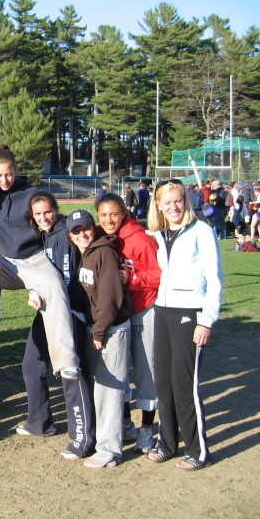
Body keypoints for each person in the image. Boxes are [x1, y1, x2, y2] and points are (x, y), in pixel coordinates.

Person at [0, 147, 80, 381]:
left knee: (55, 285)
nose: (4, 180)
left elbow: (53, 215)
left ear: (16, 170)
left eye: (9, 174)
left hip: (35, 260)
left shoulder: (32, 192)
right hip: (3, 263)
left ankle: (67, 361)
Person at [146, 179, 222, 471]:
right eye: (167, 202)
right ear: (159, 205)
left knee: (184, 385)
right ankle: (167, 444)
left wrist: (206, 320)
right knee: (162, 384)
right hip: (162, 312)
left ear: (185, 200)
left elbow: (214, 280)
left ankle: (197, 449)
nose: (173, 207)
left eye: (178, 200)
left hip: (190, 314)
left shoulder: (201, 230)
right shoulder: (158, 233)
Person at [24, 192, 95, 460]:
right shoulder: (46, 235)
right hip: (47, 311)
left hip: (69, 315)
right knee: (32, 365)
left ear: (56, 209)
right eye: (38, 214)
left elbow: (64, 280)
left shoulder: (64, 233)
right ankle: (38, 422)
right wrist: (37, 292)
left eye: (48, 212)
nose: (43, 217)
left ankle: (83, 438)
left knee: (71, 375)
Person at [96, 193, 161, 453]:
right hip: (118, 313)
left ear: (123, 213)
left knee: (146, 371)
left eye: (114, 214)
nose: (109, 219)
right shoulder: (102, 239)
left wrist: (131, 278)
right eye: (103, 215)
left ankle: (147, 429)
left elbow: (159, 274)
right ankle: (125, 424)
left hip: (143, 307)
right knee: (118, 371)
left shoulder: (140, 238)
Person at [67, 209, 131, 468]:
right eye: (76, 231)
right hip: (99, 327)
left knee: (109, 391)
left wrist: (100, 331)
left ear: (94, 228)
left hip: (111, 329)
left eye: (86, 228)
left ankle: (110, 450)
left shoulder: (102, 252)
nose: (82, 234)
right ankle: (117, 436)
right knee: (103, 389)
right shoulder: (87, 254)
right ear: (70, 236)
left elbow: (109, 297)